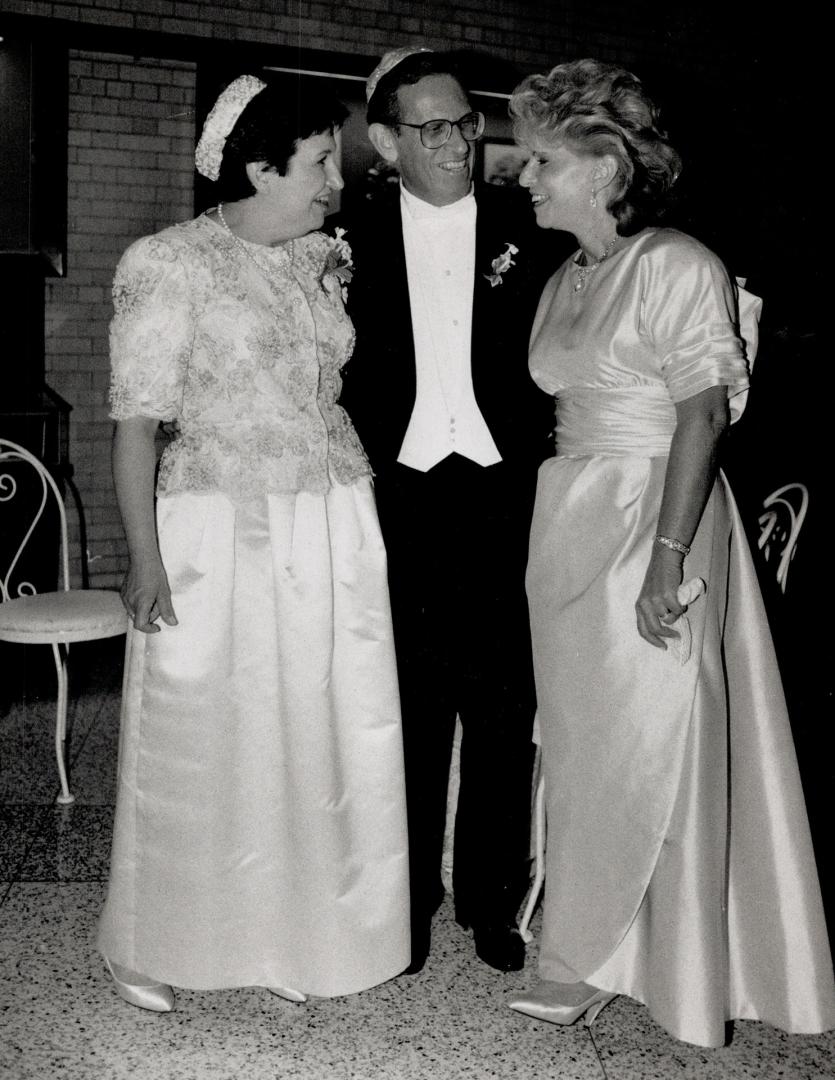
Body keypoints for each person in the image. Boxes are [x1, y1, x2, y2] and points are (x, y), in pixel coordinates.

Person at [506, 58, 835, 1046]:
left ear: (605, 168)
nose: (523, 177)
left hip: (658, 518)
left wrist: (665, 555)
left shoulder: (675, 263)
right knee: (585, 748)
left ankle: (658, 965)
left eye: (541, 160)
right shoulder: (567, 275)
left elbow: (700, 414)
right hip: (568, 527)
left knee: (659, 741)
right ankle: (591, 949)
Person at [97, 74, 410, 1012]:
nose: (336, 179)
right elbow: (135, 425)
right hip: (217, 520)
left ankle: (300, 937)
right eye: (320, 161)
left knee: (318, 729)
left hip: (329, 514)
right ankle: (151, 940)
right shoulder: (167, 261)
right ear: (260, 164)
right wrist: (144, 561)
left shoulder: (324, 258)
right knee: (201, 733)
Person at [338, 47, 566, 975]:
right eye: (429, 127)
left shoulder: (530, 227)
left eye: (464, 122)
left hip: (505, 492)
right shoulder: (343, 240)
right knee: (412, 707)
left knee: (505, 706)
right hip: (397, 494)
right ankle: (408, 902)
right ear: (387, 140)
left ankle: (489, 902)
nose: (455, 143)